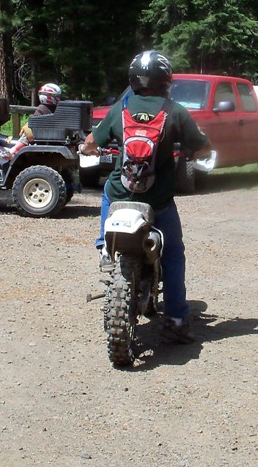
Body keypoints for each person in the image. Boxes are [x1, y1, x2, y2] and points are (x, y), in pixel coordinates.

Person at [81, 50, 211, 344]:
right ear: (165, 79)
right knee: (175, 254)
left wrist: (92, 148)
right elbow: (203, 147)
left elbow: (92, 143)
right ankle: (176, 318)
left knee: (107, 192)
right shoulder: (175, 111)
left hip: (120, 196)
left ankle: (104, 247)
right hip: (158, 201)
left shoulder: (120, 107)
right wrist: (188, 150)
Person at [9, 83, 62, 155]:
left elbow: (34, 122)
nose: (58, 98)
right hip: (49, 134)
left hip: (42, 134)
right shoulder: (51, 108)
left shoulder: (43, 108)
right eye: (56, 96)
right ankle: (14, 149)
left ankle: (13, 150)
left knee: (28, 131)